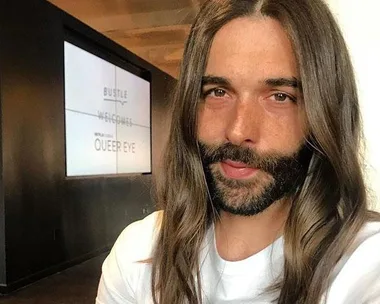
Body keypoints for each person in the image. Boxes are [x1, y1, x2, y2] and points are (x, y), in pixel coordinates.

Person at [96, 0, 380, 303]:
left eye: (280, 97)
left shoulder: (363, 264)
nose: (238, 130)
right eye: (218, 92)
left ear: (323, 114)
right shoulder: (137, 256)